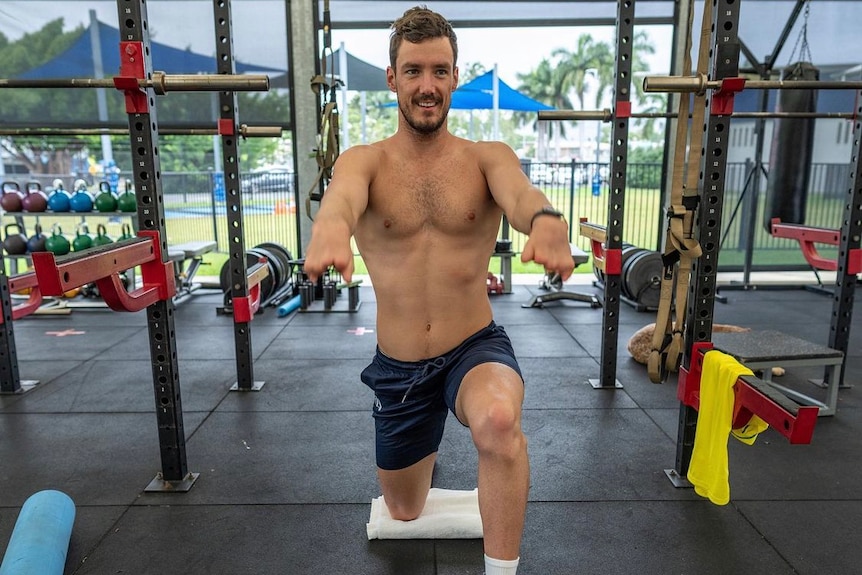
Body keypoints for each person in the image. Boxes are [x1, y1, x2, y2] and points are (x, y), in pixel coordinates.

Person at [303, 6, 575, 574]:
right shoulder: (365, 161)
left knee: (499, 422)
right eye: (413, 71)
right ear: (392, 78)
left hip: (474, 346)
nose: (427, 86)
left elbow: (524, 198)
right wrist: (329, 231)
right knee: (404, 509)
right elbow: (341, 201)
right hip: (399, 368)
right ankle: (423, 458)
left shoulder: (486, 158)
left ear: (455, 75)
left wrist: (548, 222)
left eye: (440, 71)